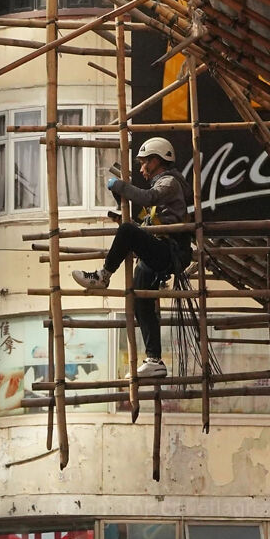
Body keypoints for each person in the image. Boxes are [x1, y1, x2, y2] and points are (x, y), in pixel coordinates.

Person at [72, 137, 193, 378]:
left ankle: (103, 276)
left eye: (144, 163)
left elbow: (148, 199)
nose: (141, 169)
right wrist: (122, 200)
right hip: (158, 250)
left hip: (170, 251)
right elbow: (146, 215)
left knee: (127, 231)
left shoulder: (169, 182)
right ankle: (154, 360)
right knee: (140, 302)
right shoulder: (162, 186)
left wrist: (120, 186)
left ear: (156, 160)